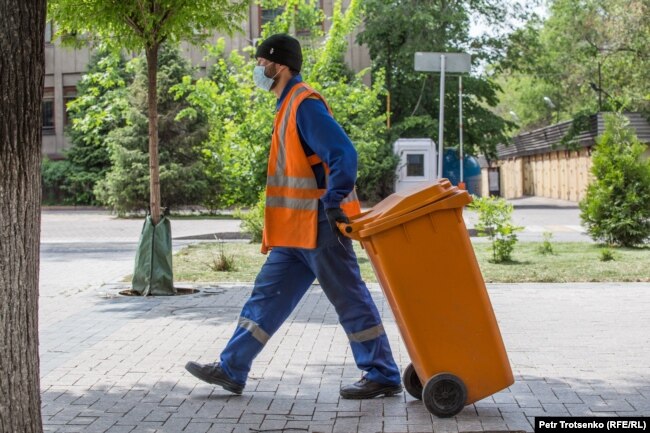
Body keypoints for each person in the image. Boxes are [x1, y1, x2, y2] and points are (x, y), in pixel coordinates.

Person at [185, 33, 402, 399]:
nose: (257, 69)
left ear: (279, 65)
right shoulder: (287, 104)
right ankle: (232, 368)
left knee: (349, 299)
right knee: (266, 297)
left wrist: (333, 202)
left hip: (320, 225)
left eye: (260, 63)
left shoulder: (304, 104)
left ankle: (382, 373)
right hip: (294, 231)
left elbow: (344, 154)